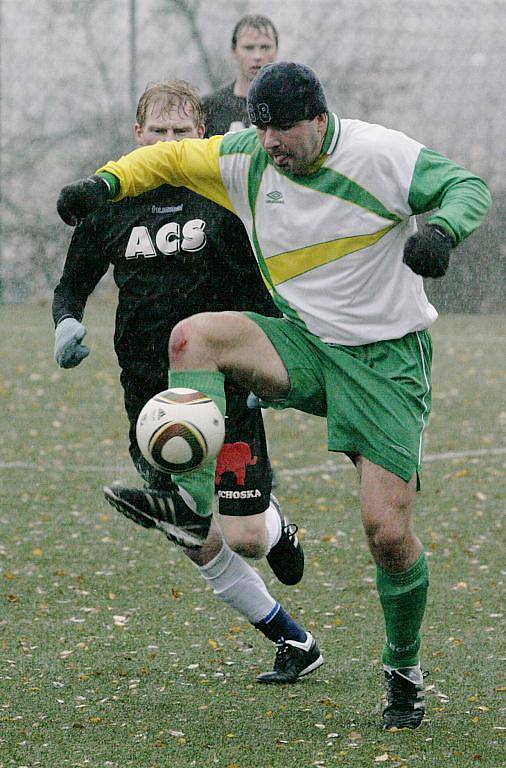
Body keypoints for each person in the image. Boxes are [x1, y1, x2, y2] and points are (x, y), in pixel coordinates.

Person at [57, 61, 491, 730]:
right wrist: (104, 183)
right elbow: (170, 155)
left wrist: (443, 232)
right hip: (306, 344)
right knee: (193, 339)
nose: (272, 144)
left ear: (319, 120)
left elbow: (465, 185)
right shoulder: (247, 157)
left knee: (388, 534)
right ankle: (189, 495)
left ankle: (403, 670)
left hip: (384, 364)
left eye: (284, 130)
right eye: (262, 130)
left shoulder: (377, 153)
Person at [53, 79, 324, 685]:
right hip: (149, 395)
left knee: (247, 537)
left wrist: (268, 365)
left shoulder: (224, 197)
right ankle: (293, 640)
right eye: (158, 131)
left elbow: (266, 284)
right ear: (138, 135)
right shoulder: (111, 199)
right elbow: (72, 282)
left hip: (223, 390)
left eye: (181, 132)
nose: (168, 142)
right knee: (192, 532)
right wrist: (66, 322)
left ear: (200, 136)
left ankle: (277, 525)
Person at [202, 14, 278, 136]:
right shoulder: (210, 107)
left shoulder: (290, 104)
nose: (257, 56)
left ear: (276, 51)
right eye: (248, 48)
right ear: (234, 51)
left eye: (265, 47)